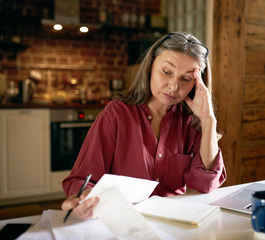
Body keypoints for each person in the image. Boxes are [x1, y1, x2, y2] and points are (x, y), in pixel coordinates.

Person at [61, 32, 227, 220]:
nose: (173, 86)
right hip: (122, 221)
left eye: (186, 79)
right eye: (166, 72)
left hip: (174, 222)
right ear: (150, 67)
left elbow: (206, 184)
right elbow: (83, 180)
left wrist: (208, 120)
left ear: (197, 84)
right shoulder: (116, 113)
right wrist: (83, 200)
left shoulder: (191, 122)